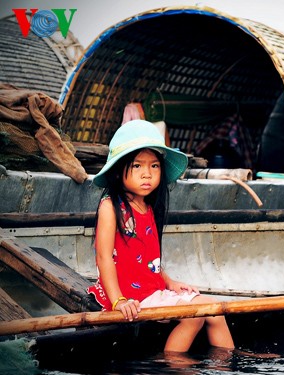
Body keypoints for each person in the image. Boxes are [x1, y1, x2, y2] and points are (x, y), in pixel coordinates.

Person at [87, 119, 234, 353]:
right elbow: (104, 258)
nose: (147, 174)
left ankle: (228, 361)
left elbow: (148, 260)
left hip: (152, 290)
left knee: (215, 309)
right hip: (130, 295)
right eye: (137, 166)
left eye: (154, 166)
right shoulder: (110, 207)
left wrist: (170, 283)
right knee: (194, 317)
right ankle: (173, 364)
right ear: (118, 172)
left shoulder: (148, 207)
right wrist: (119, 301)